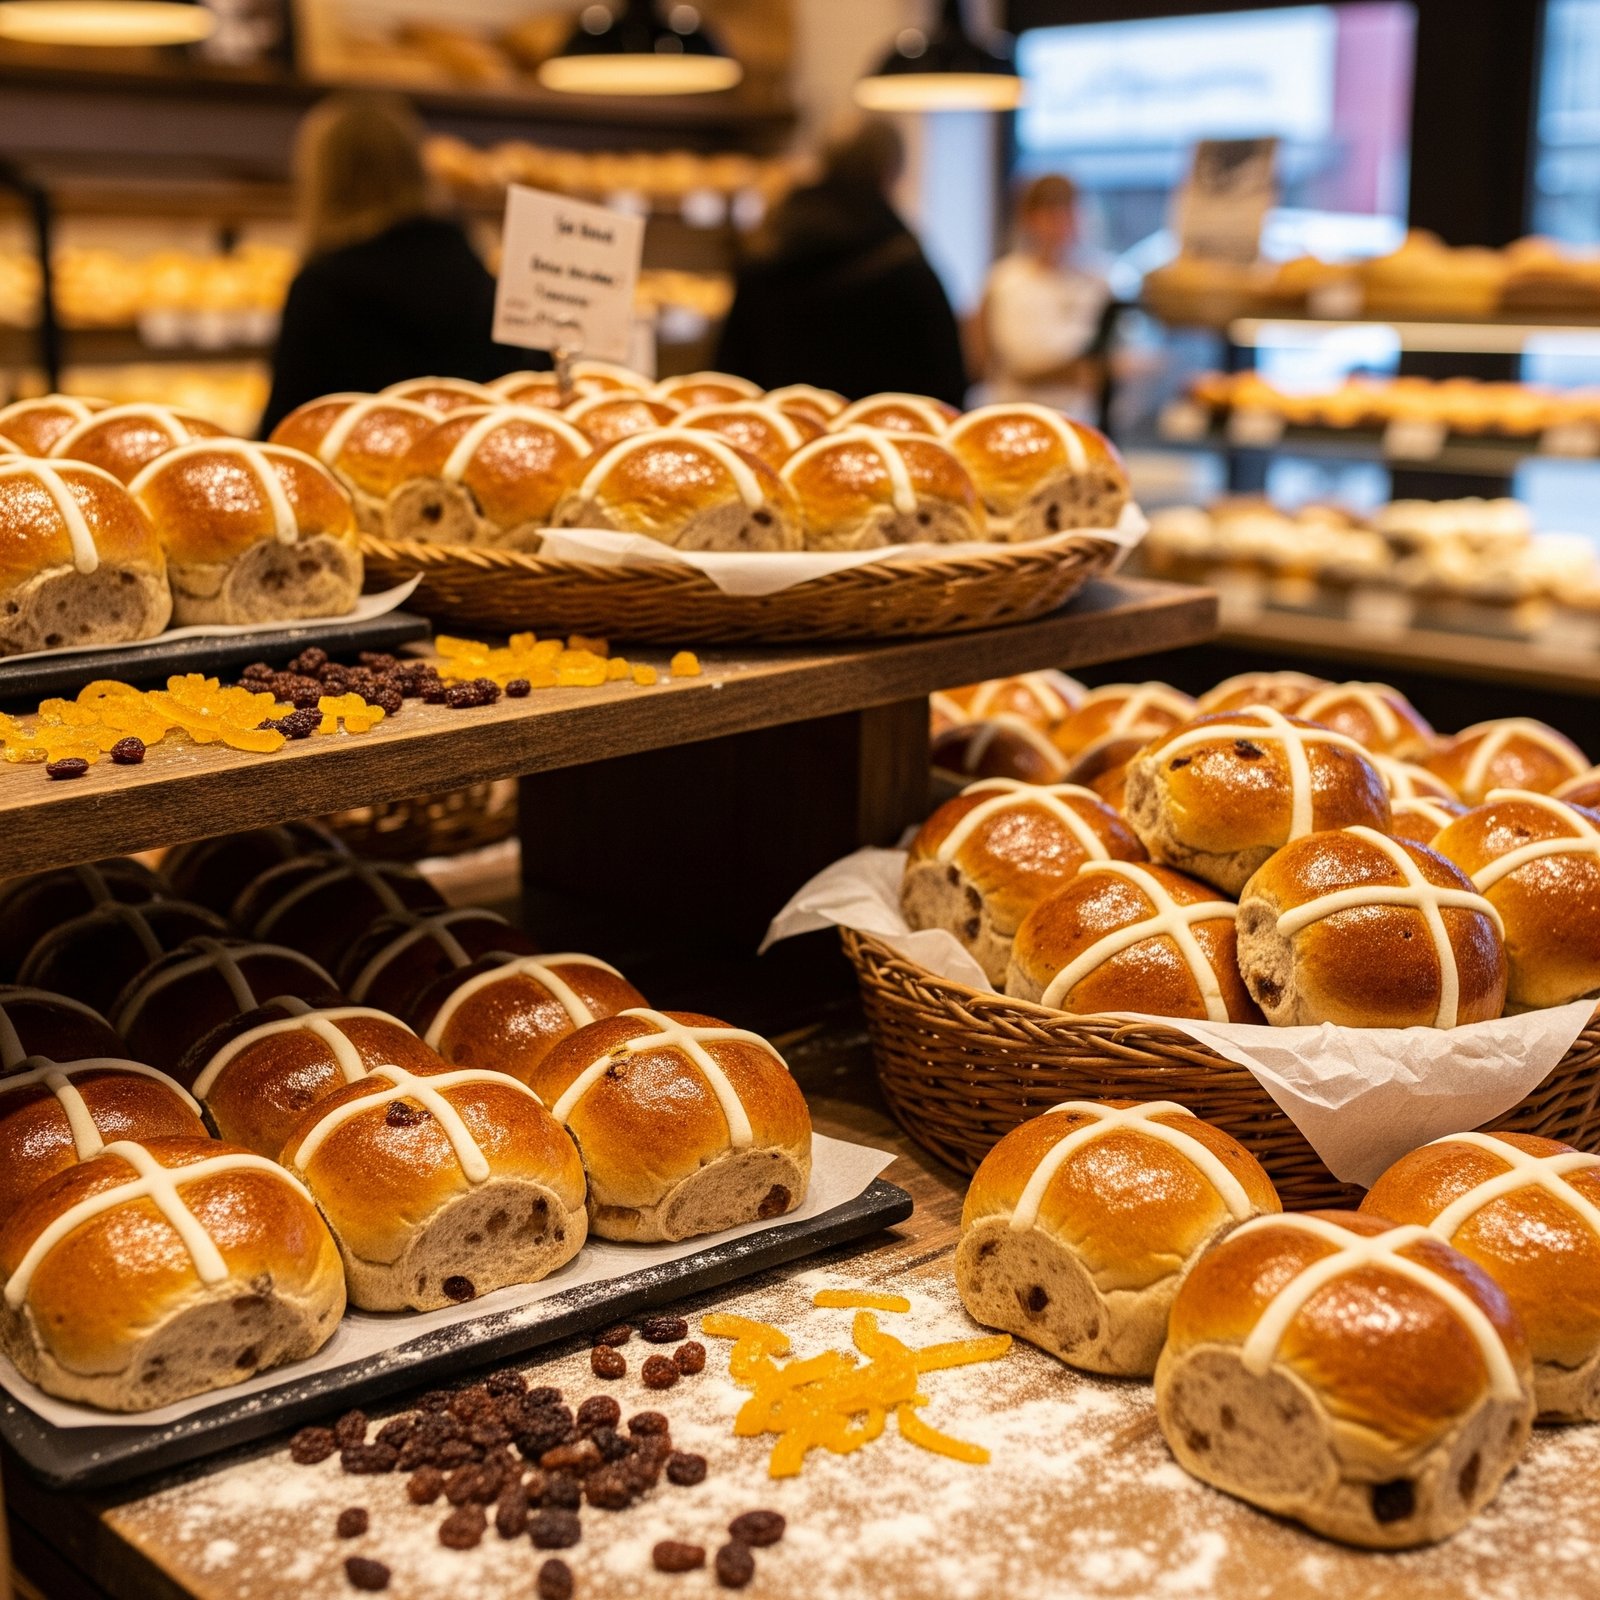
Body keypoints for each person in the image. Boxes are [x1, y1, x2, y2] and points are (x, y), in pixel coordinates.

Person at [260, 92, 535, 434]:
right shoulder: (466, 262)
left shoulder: (324, 286)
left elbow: (287, 425)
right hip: (470, 461)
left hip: (358, 475)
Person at [713, 119, 968, 406]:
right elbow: (945, 395)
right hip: (879, 443)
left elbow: (729, 377)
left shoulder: (767, 246)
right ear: (891, 171)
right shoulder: (904, 265)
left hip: (777, 437)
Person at [978, 174, 1111, 420]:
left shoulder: (1097, 282)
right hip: (1016, 414)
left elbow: (1118, 362)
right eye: (1051, 212)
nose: (1061, 222)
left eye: (1069, 211)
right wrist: (1082, 370)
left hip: (1080, 418)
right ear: (1029, 217)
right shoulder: (1006, 280)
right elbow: (1022, 365)